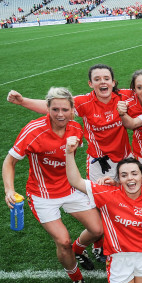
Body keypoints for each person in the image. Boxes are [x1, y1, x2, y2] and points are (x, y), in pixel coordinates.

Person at [7, 64, 133, 263]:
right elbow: (57, 109)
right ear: (90, 84)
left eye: (106, 78)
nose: (103, 82)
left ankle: (80, 247)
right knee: (100, 206)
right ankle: (99, 248)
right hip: (99, 163)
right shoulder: (82, 102)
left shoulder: (124, 97)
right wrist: (23, 101)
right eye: (97, 79)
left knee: (125, 202)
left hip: (125, 160)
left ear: (113, 82)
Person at [2, 87, 103, 283]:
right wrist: (9, 190)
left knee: (98, 230)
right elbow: (9, 162)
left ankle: (78, 249)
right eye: (55, 109)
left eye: (65, 109)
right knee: (62, 241)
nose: (60, 114)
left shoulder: (76, 129)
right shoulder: (33, 130)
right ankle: (76, 278)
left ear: (72, 110)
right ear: (47, 108)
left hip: (69, 187)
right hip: (42, 195)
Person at [66, 148, 142, 283]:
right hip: (119, 257)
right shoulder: (107, 194)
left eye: (134, 173)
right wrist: (68, 152)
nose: (130, 178)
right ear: (119, 179)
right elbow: (75, 181)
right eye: (124, 175)